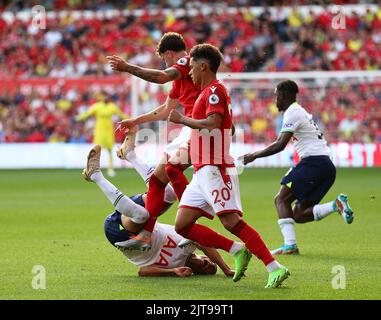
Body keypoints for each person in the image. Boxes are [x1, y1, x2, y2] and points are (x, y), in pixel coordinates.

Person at [168, 44, 290, 288]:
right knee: (182, 225)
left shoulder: (215, 90)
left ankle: (275, 267)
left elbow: (214, 122)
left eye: (192, 67)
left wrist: (183, 119)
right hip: (201, 171)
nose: (189, 72)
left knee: (231, 222)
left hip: (214, 168)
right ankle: (237, 249)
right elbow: (228, 127)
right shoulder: (207, 93)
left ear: (203, 66)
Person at [82, 145, 236, 277]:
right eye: (209, 262)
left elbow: (142, 271)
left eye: (204, 267)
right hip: (139, 219)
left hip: (123, 235)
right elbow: (205, 244)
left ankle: (96, 175)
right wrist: (226, 269)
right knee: (168, 195)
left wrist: (173, 272)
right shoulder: (189, 245)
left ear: (196, 272)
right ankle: (130, 154)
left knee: (142, 215)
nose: (205, 263)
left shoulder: (176, 265)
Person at [107, 32, 200, 250]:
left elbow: (160, 77)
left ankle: (186, 226)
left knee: (167, 176)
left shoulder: (186, 62)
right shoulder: (182, 79)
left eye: (164, 60)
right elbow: (166, 110)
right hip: (190, 129)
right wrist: (136, 120)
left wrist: (128, 67)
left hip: (199, 128)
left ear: (169, 54)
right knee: (162, 182)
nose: (165, 64)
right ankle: (151, 232)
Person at [242, 80, 354, 255]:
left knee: (281, 199)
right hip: (325, 166)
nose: (274, 100)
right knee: (299, 214)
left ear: (284, 95)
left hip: (313, 163)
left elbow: (280, 144)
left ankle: (290, 245)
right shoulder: (299, 111)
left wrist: (253, 155)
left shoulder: (292, 112)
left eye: (276, 95)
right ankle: (335, 205)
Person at [76, 93, 127, 177]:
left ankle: (110, 169)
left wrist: (130, 117)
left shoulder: (112, 106)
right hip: (99, 132)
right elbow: (87, 114)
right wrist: (78, 118)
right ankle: (92, 168)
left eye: (107, 96)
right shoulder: (97, 106)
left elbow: (120, 114)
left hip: (109, 132)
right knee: (95, 151)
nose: (106, 98)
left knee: (110, 151)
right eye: (104, 96)